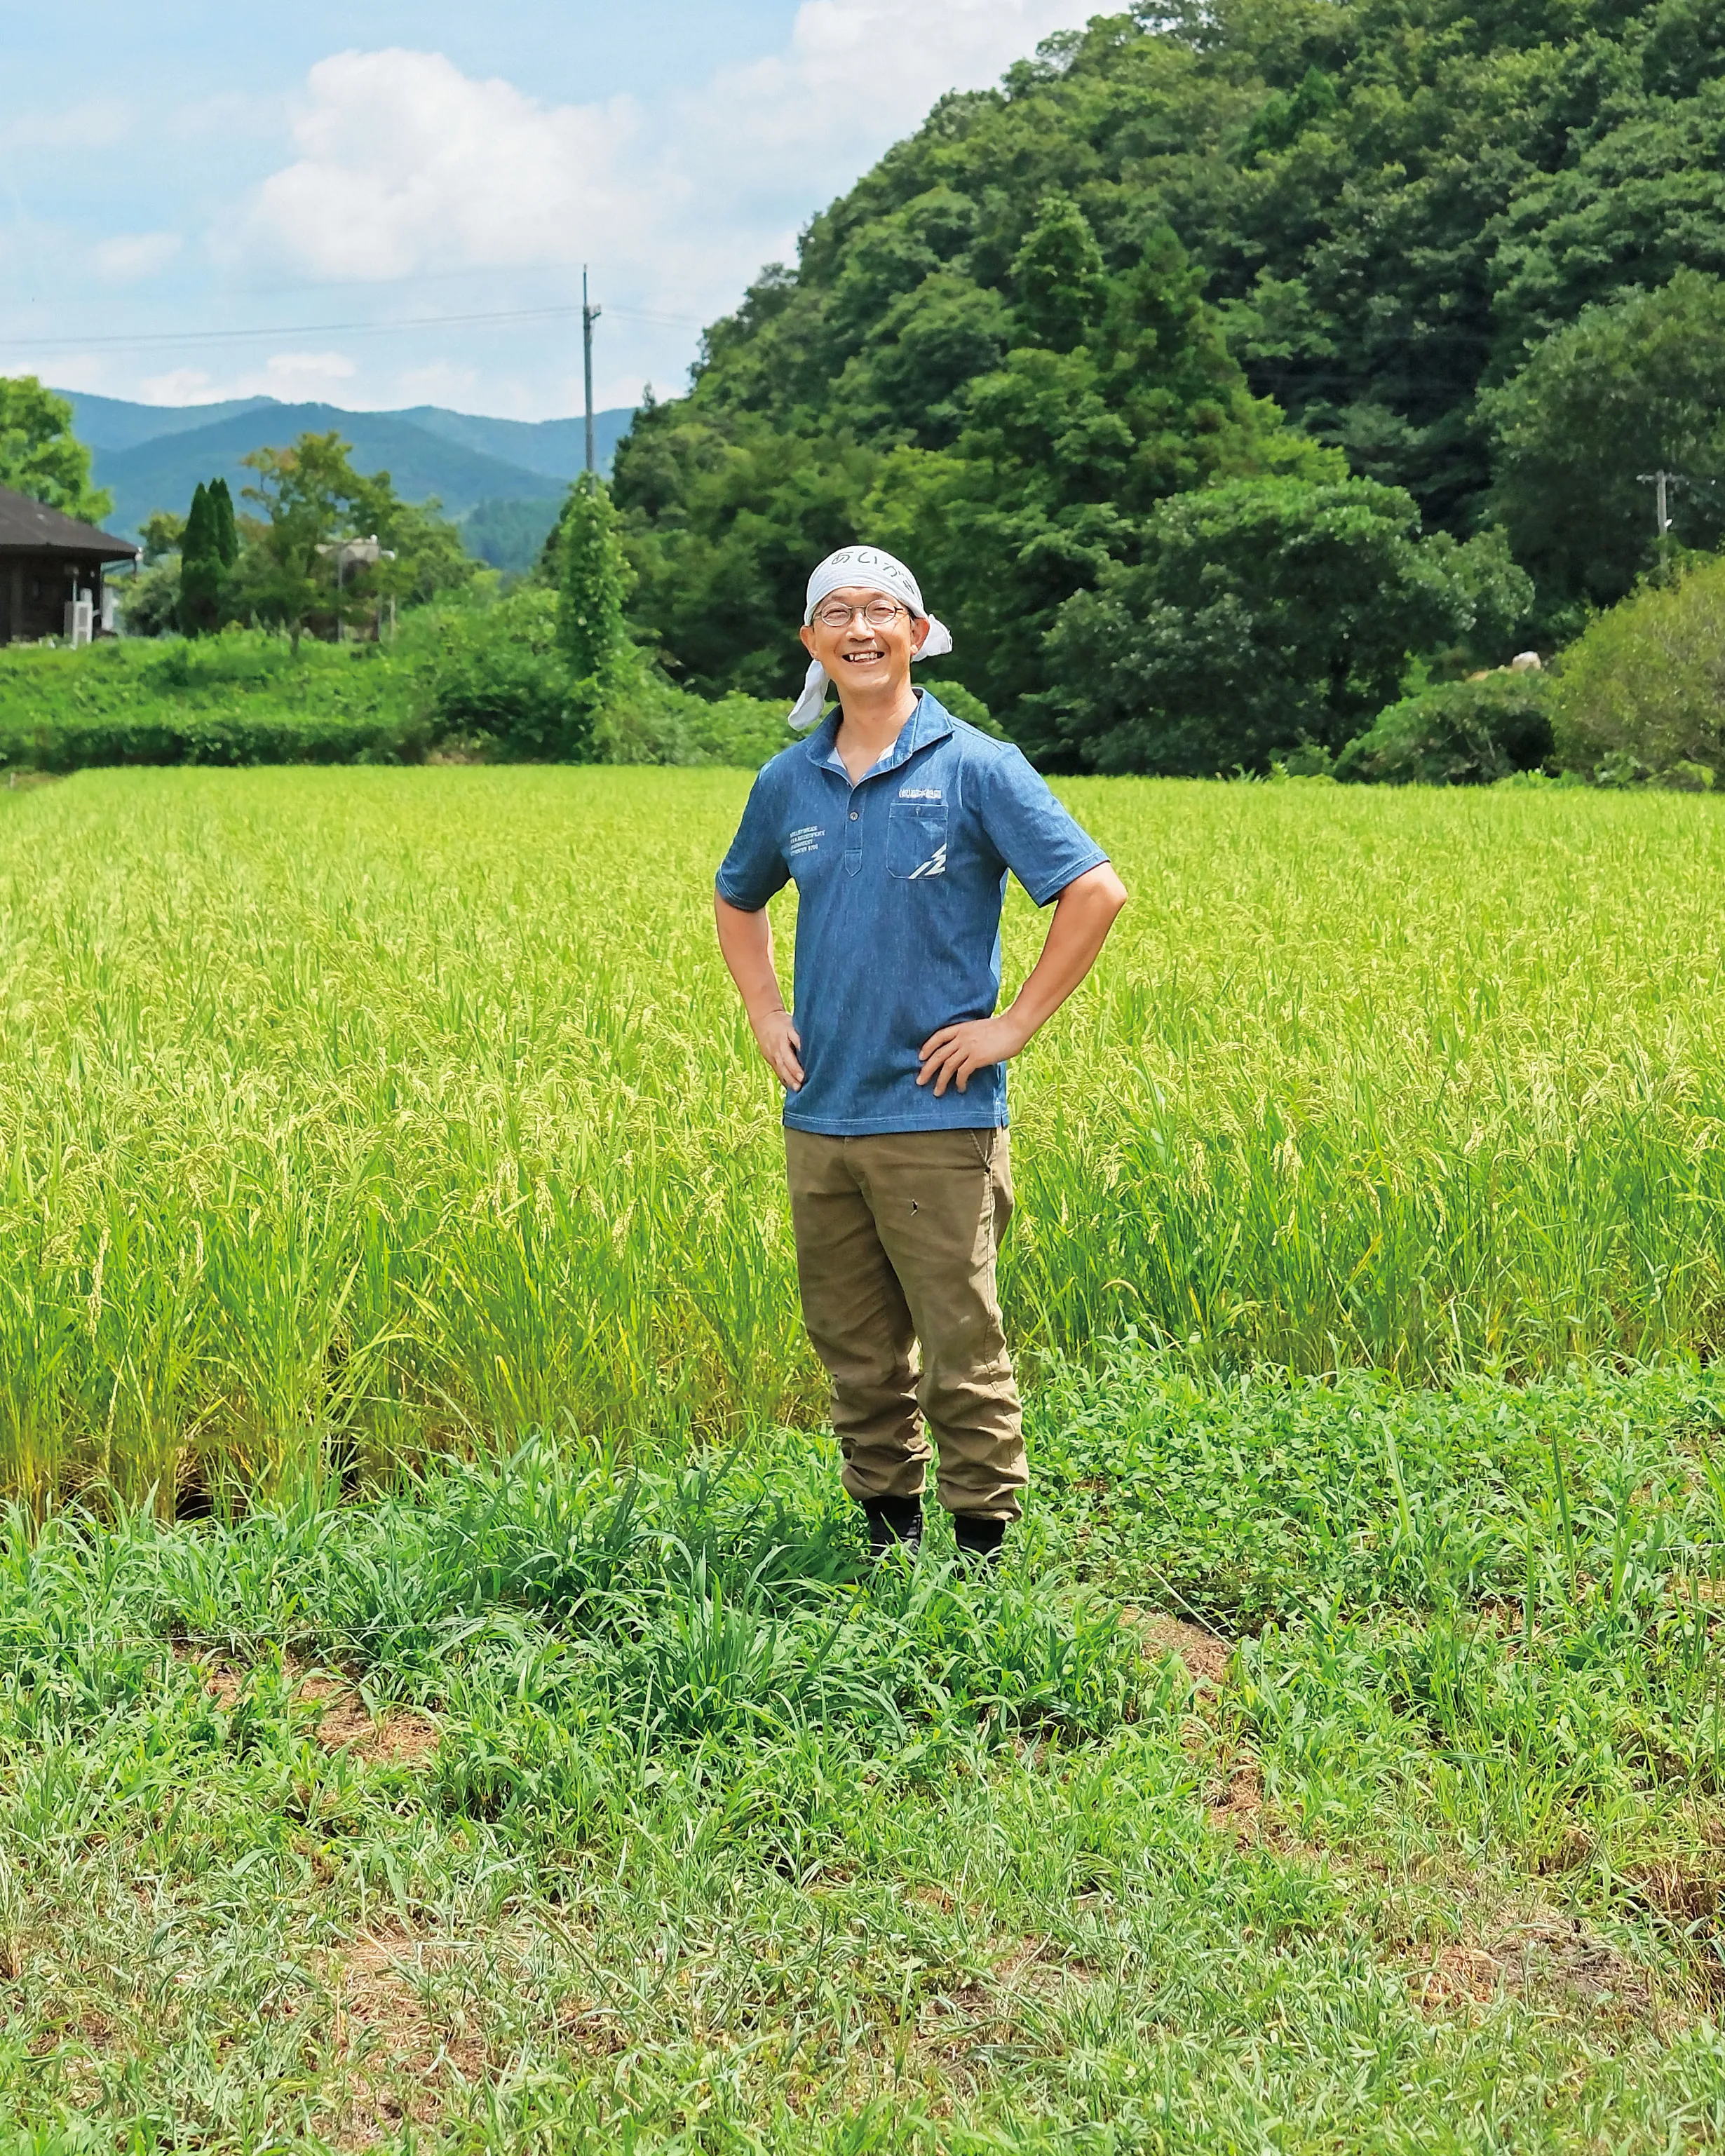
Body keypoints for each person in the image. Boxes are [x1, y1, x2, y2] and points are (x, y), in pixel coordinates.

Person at [713, 544, 1128, 1564]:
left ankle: (982, 1552)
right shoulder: (789, 781)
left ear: (917, 632)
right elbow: (737, 896)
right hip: (822, 1117)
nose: (861, 629)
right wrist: (768, 1015)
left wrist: (1011, 1026)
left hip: (938, 1117)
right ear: (812, 641)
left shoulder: (977, 765)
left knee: (958, 1347)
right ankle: (886, 1541)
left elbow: (1095, 890)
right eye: (839, 613)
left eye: (882, 611)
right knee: (853, 1346)